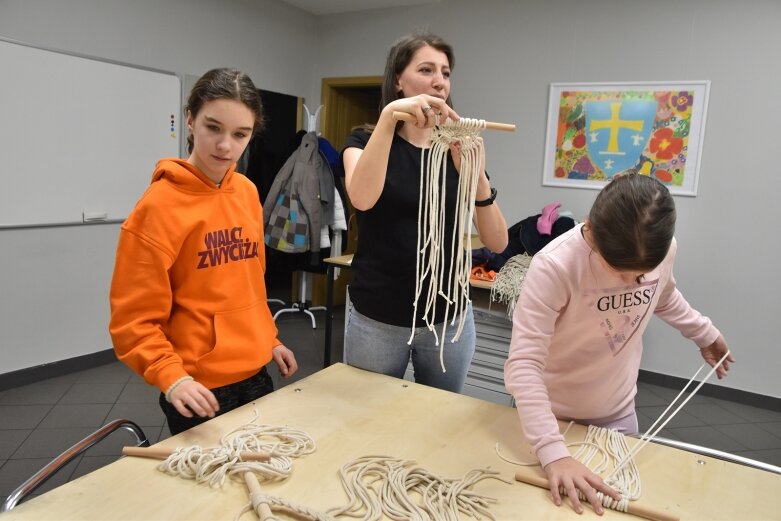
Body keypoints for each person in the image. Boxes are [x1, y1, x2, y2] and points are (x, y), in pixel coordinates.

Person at [504, 173, 735, 515]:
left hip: (618, 415)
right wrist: (553, 452)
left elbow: (663, 296)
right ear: (592, 232)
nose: (631, 284)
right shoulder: (554, 266)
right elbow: (524, 365)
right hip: (549, 421)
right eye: (619, 271)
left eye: (641, 273)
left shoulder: (664, 250)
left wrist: (704, 332)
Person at [109, 68, 298, 435]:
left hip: (257, 373)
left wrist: (267, 339)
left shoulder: (245, 191)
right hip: (199, 386)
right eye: (214, 128)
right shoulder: (157, 207)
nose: (225, 146)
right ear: (191, 121)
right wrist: (172, 378)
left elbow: (248, 283)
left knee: (266, 474)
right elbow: (133, 320)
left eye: (240, 134)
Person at [340, 32, 508, 392]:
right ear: (398, 80)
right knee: (368, 420)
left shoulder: (456, 149)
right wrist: (388, 120)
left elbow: (497, 241)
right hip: (378, 318)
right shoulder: (363, 142)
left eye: (445, 73)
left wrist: (476, 176)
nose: (439, 82)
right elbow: (363, 199)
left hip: (448, 321)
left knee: (442, 421)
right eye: (427, 69)